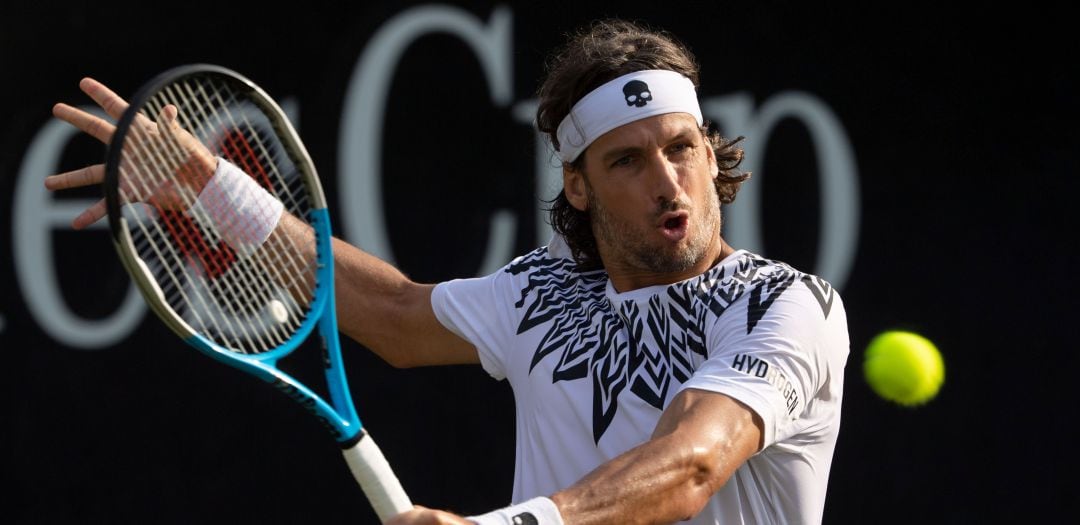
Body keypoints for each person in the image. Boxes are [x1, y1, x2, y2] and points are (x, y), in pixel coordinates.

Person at [47, 18, 850, 525]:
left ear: (711, 153)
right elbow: (392, 314)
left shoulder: (790, 305)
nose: (668, 181)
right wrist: (210, 186)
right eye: (628, 161)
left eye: (682, 148)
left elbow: (694, 461)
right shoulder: (543, 291)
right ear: (579, 184)